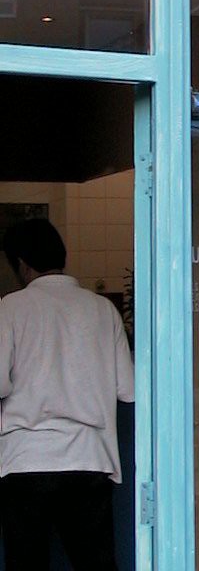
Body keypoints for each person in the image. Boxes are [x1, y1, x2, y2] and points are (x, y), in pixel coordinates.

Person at [0, 217, 134, 570]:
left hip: (25, 461)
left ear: (22, 265)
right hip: (89, 459)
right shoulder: (103, 309)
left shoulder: (9, 308)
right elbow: (128, 389)